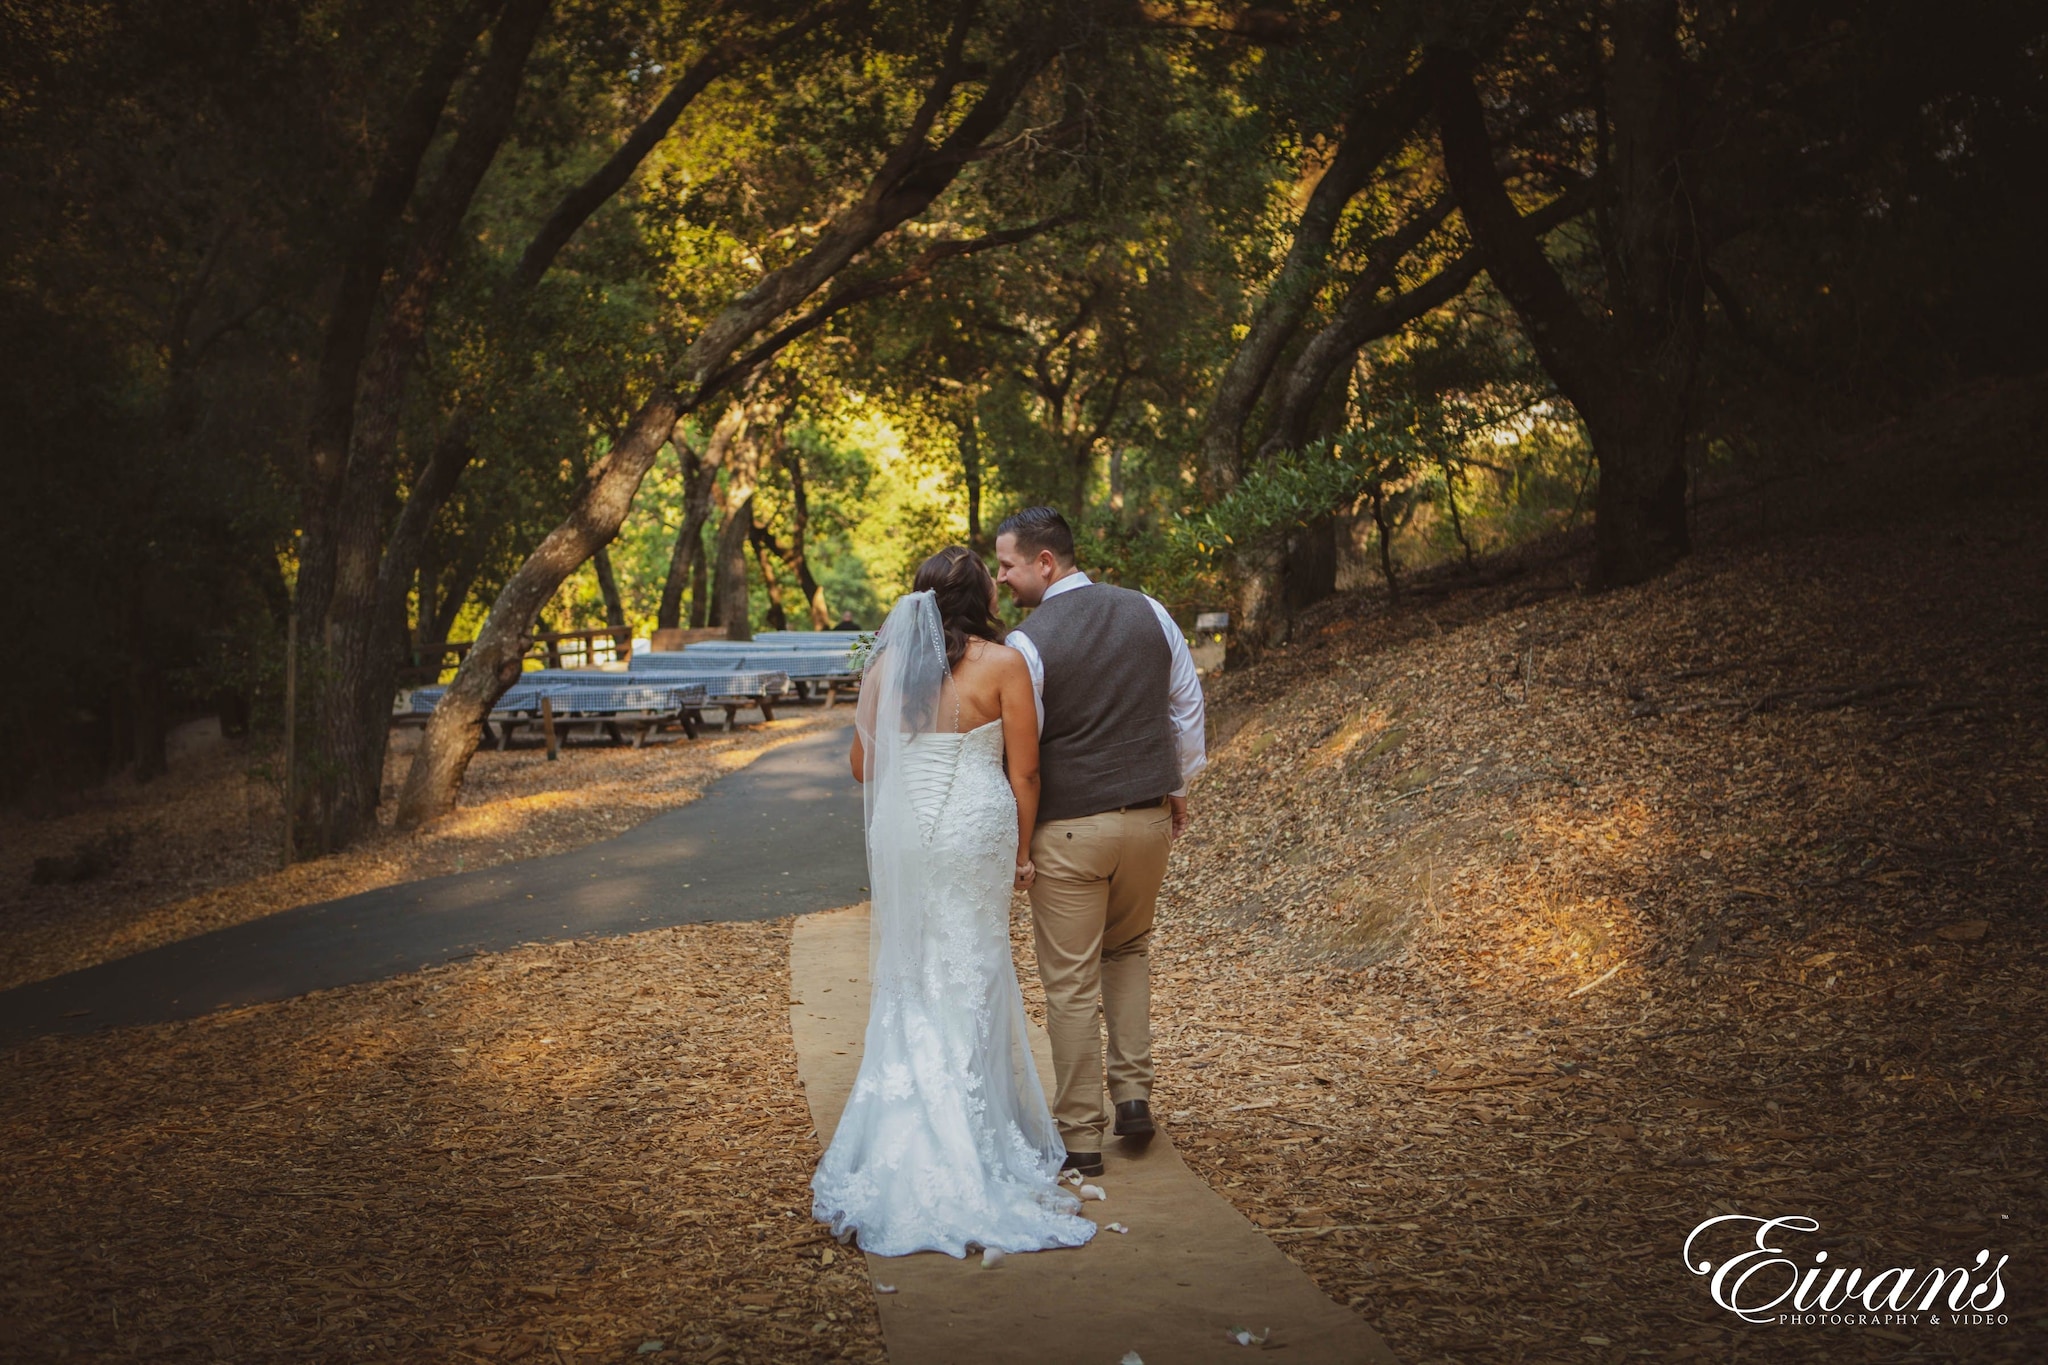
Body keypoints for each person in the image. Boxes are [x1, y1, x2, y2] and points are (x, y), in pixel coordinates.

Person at [810, 547, 1097, 1258]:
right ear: (981, 600)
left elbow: (859, 766)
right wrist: (1025, 850)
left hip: (905, 825)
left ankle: (904, 1131)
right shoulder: (1003, 665)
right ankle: (975, 1134)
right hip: (974, 824)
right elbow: (1025, 769)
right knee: (973, 965)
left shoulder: (887, 670)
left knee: (911, 968)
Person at [993, 507, 1206, 1179]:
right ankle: (1134, 1096)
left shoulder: (1027, 643)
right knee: (1130, 950)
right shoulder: (1150, 610)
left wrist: (1018, 845)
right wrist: (1178, 781)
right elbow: (1186, 704)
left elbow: (1023, 754)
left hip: (1069, 831)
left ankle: (1082, 1134)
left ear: (1045, 562)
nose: (1001, 579)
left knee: (1069, 980)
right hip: (1147, 823)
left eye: (1008, 565)